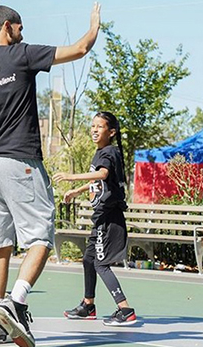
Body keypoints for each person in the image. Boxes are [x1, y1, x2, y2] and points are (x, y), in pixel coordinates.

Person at [0, 2, 101, 346]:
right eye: (20, 28)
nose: (22, 33)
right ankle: (16, 303)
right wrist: (93, 26)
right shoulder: (21, 55)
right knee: (42, 235)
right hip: (20, 160)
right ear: (8, 27)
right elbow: (80, 49)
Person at [53, 112, 136, 326]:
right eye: (93, 126)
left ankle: (124, 309)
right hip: (101, 217)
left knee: (101, 264)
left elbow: (102, 175)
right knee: (89, 260)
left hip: (109, 217)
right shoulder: (102, 152)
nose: (95, 130)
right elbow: (99, 182)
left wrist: (71, 177)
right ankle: (88, 305)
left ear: (112, 132)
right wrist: (77, 191)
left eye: (100, 126)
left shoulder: (108, 152)